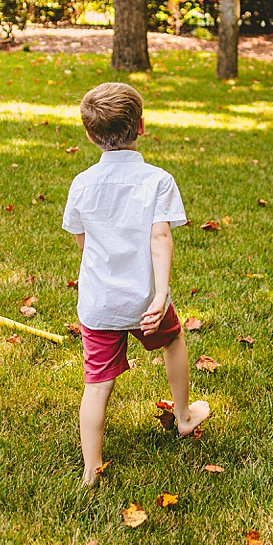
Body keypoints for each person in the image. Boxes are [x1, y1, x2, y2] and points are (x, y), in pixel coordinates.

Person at [64, 82, 211, 487]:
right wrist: (161, 294)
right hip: (146, 300)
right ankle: (183, 417)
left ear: (90, 134)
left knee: (96, 383)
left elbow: (81, 239)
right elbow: (160, 237)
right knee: (173, 339)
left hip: (98, 303)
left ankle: (90, 468)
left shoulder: (82, 183)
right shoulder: (157, 180)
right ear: (141, 126)